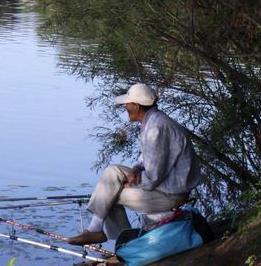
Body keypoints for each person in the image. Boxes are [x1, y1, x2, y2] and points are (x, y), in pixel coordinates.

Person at [66, 83, 202, 245]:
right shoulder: (153, 120)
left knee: (110, 196)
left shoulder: (156, 128)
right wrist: (137, 168)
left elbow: (152, 178)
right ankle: (95, 230)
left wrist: (130, 184)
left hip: (170, 194)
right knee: (112, 172)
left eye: (127, 104)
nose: (125, 107)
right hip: (163, 186)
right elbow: (147, 158)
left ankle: (125, 244)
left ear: (136, 106)